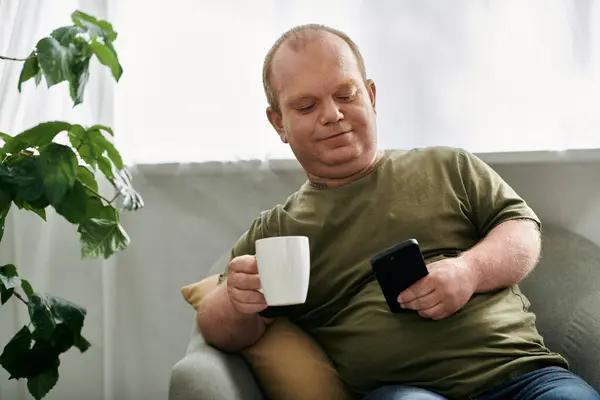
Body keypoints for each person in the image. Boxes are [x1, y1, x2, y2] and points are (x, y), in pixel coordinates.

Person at [197, 24, 600, 400]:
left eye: (345, 95)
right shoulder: (278, 230)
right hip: (404, 391)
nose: (333, 115)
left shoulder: (448, 166)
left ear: (370, 96)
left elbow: (522, 230)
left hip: (523, 375)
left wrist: (467, 271)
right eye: (306, 105)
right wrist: (236, 300)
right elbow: (216, 326)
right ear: (278, 123)